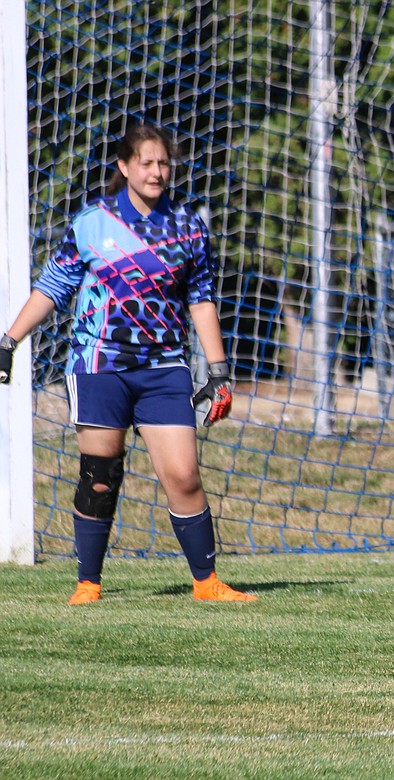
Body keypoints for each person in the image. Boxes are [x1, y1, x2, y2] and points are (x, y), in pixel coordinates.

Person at [0, 123, 256, 604]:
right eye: (147, 162)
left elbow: (201, 301)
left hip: (164, 368)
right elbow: (53, 287)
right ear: (124, 166)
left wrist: (219, 371)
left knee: (183, 474)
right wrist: (8, 341)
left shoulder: (188, 227)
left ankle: (207, 583)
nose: (157, 171)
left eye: (164, 163)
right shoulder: (92, 222)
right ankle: (88, 584)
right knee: (100, 473)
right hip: (100, 365)